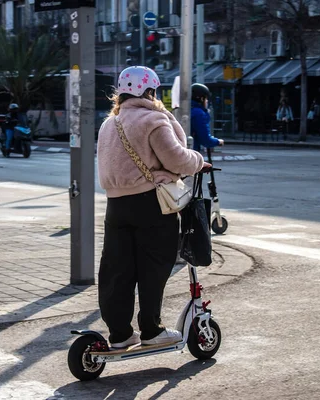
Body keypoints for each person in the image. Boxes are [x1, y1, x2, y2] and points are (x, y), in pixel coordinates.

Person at [96, 66, 211, 348]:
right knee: (153, 267)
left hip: (116, 206)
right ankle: (151, 329)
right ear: (150, 91)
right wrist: (198, 161)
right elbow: (176, 160)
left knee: (117, 270)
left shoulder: (109, 124)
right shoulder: (152, 120)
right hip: (151, 204)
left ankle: (120, 333)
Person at [190, 83, 224, 152]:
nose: (207, 101)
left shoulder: (186, 109)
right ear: (201, 99)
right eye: (206, 98)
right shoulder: (199, 113)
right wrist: (218, 141)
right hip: (191, 152)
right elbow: (205, 140)